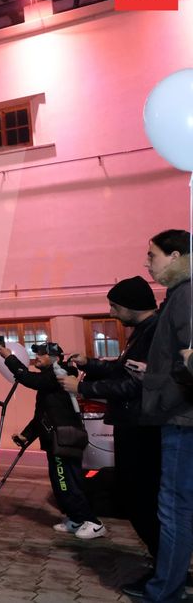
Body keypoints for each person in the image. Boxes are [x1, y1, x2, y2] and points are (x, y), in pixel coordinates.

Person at [56, 276, 161, 596]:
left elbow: (137, 384)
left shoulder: (154, 334)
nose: (111, 311)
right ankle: (163, 566)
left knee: (143, 500)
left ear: (130, 305)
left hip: (144, 427)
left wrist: (83, 387)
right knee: (135, 497)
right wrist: (91, 364)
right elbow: (122, 369)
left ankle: (166, 570)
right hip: (133, 424)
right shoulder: (141, 332)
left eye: (114, 306)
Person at [0, 341, 105, 539]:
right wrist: (27, 435)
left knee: (67, 481)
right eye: (37, 353)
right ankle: (76, 519)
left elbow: (30, 380)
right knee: (61, 482)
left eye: (42, 353)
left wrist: (9, 358)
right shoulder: (51, 378)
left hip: (64, 438)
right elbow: (44, 415)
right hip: (56, 438)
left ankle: (92, 522)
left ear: (55, 357)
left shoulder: (60, 374)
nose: (37, 356)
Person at [140, 229, 192, 603]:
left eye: (153, 255)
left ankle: (165, 592)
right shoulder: (178, 295)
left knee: (174, 509)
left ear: (175, 256)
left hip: (182, 418)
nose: (149, 263)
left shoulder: (187, 294)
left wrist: (165, 392)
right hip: (178, 413)